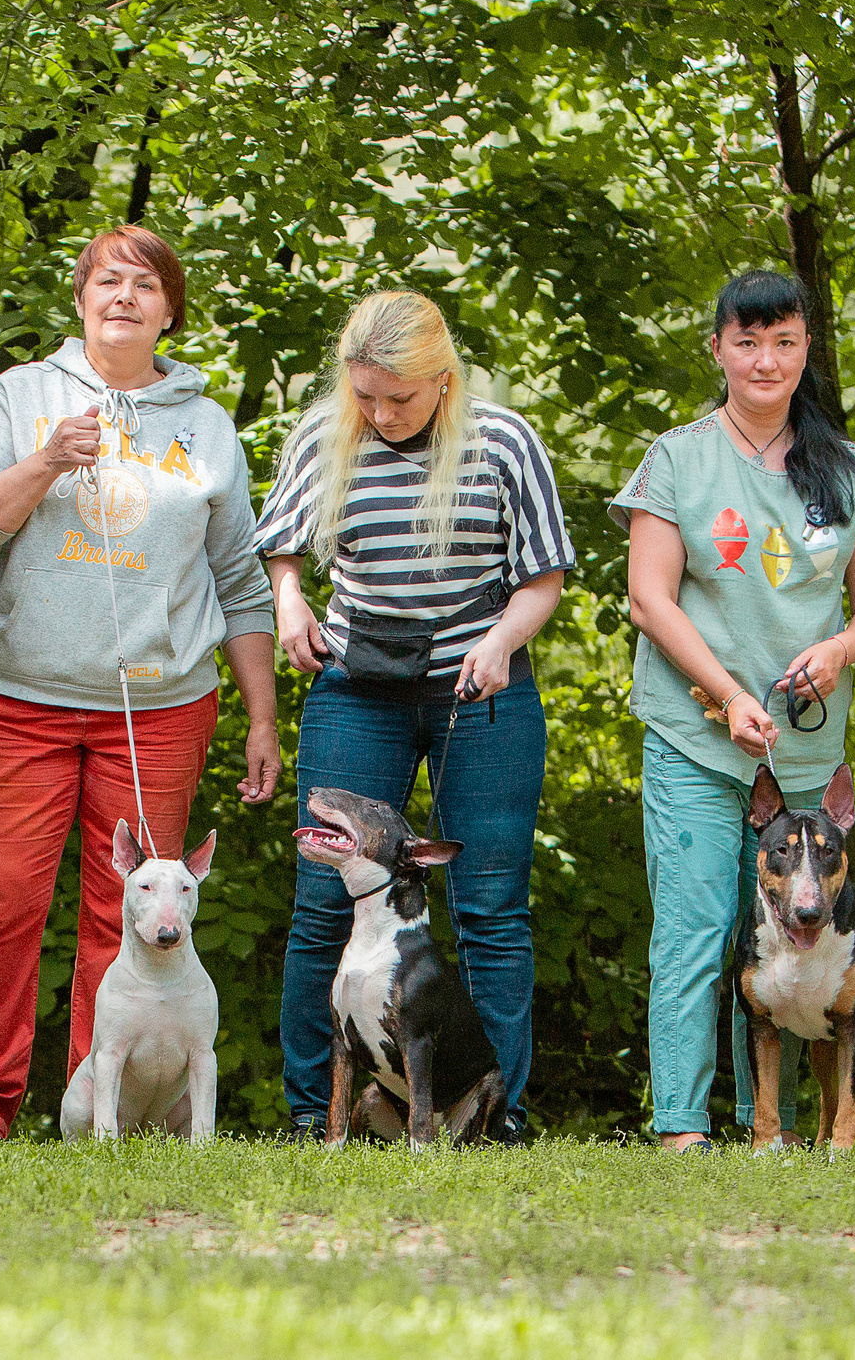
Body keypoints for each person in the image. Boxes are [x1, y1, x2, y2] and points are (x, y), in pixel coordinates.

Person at [0, 225, 278, 1141]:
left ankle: (102, 1114)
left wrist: (262, 716)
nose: (124, 295)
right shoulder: (19, 397)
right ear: (82, 298)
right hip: (17, 696)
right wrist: (47, 459)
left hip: (159, 707)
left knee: (128, 904)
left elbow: (241, 581)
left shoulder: (207, 426)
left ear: (170, 311)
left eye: (145, 285)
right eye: (108, 280)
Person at [259, 289, 574, 1142]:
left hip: (482, 689)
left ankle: (493, 1114)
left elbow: (544, 576)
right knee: (323, 900)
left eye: (399, 397)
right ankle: (311, 1111)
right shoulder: (324, 436)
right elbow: (281, 547)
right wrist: (290, 602)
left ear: (444, 379)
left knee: (490, 906)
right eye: (365, 395)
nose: (381, 413)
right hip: (357, 687)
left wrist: (502, 640)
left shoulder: (503, 441)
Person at [610, 271, 855, 1153]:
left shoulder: (848, 469)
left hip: (801, 753)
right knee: (699, 931)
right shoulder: (678, 458)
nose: (765, 359)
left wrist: (838, 651)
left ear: (807, 348)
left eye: (783, 341)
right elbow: (648, 599)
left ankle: (766, 1126)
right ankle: (682, 1124)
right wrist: (731, 694)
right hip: (696, 737)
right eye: (746, 342)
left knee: (788, 933)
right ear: (718, 350)